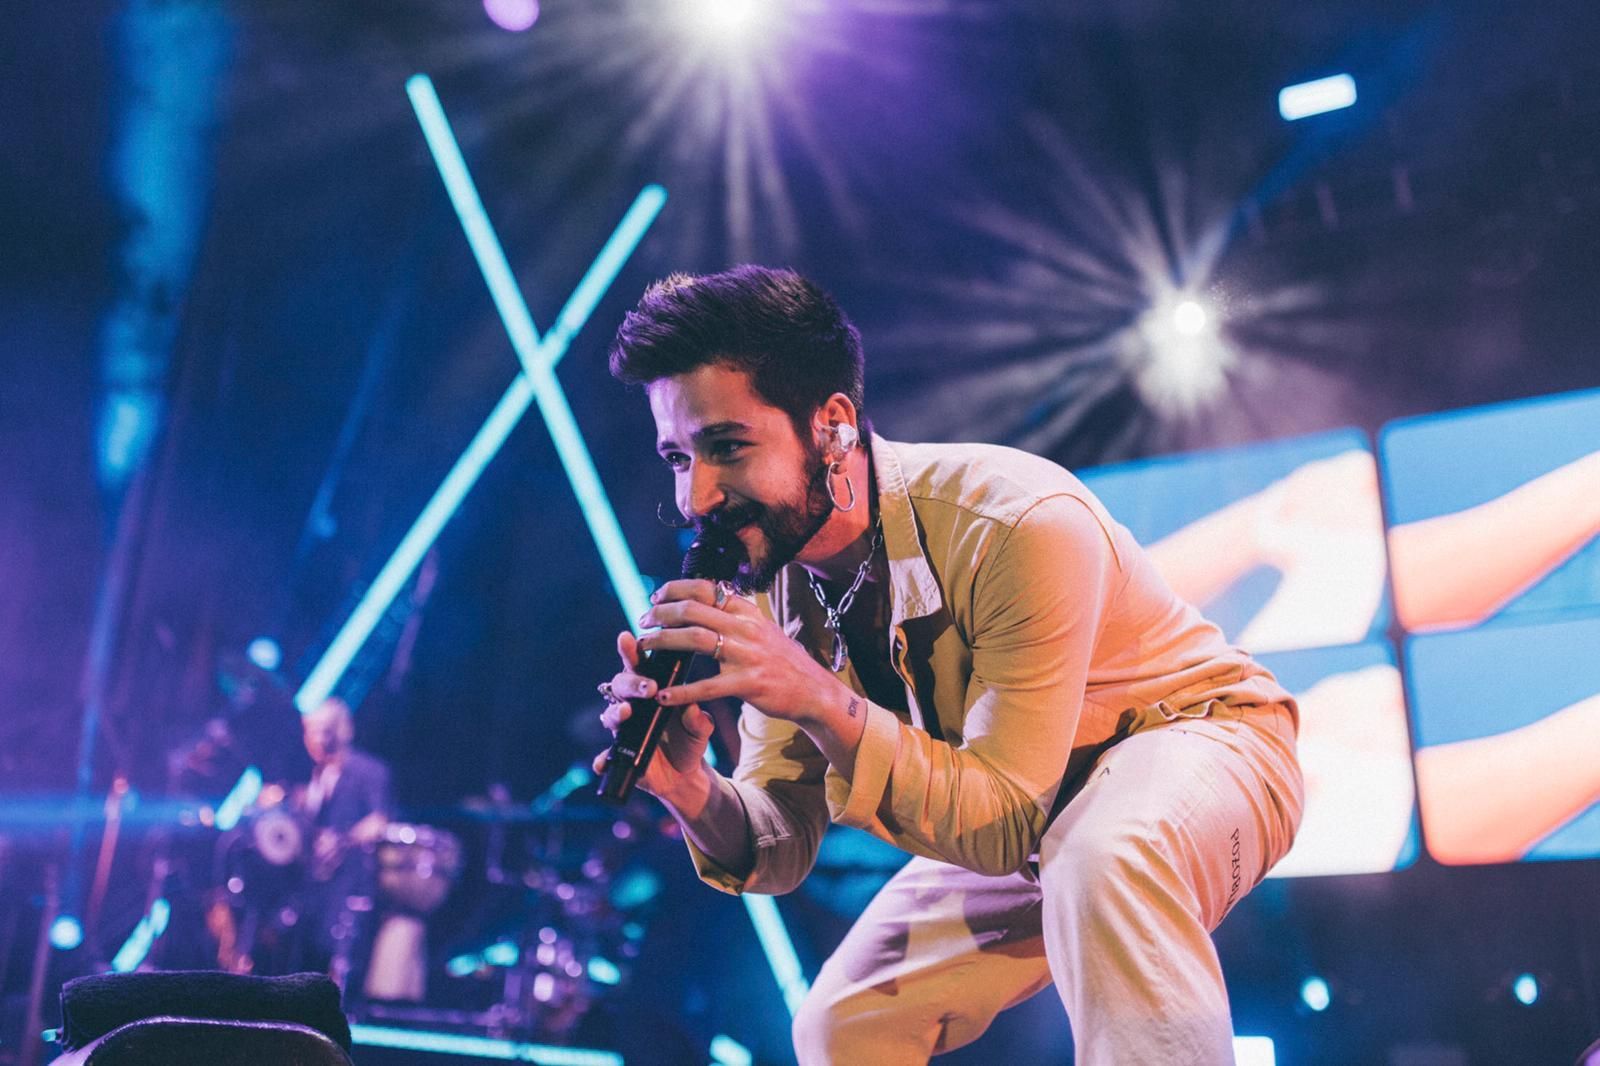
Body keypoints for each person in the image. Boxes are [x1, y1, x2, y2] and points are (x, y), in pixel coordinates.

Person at [592, 266, 1304, 1064]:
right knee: (842, 1022)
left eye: (726, 447)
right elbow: (780, 842)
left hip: (1208, 739)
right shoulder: (772, 582)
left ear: (831, 426)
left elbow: (1003, 821)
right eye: (679, 458)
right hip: (1040, 816)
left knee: (1105, 855)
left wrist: (819, 698)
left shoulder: (1017, 521)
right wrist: (691, 789)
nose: (697, 498)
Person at [293, 697, 392, 993]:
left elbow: (380, 820)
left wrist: (343, 840)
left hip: (350, 879)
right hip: (311, 881)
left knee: (338, 954)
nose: (316, 739)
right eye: (310, 731)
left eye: (323, 730)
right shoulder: (313, 775)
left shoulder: (368, 771)